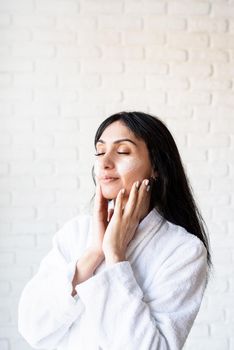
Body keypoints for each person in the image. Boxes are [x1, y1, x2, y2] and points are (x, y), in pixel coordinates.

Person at [18, 111, 211, 350]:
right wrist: (93, 254)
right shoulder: (76, 232)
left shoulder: (184, 250)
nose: (104, 162)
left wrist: (115, 256)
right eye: (100, 151)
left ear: (156, 168)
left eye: (122, 152)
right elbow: (31, 326)